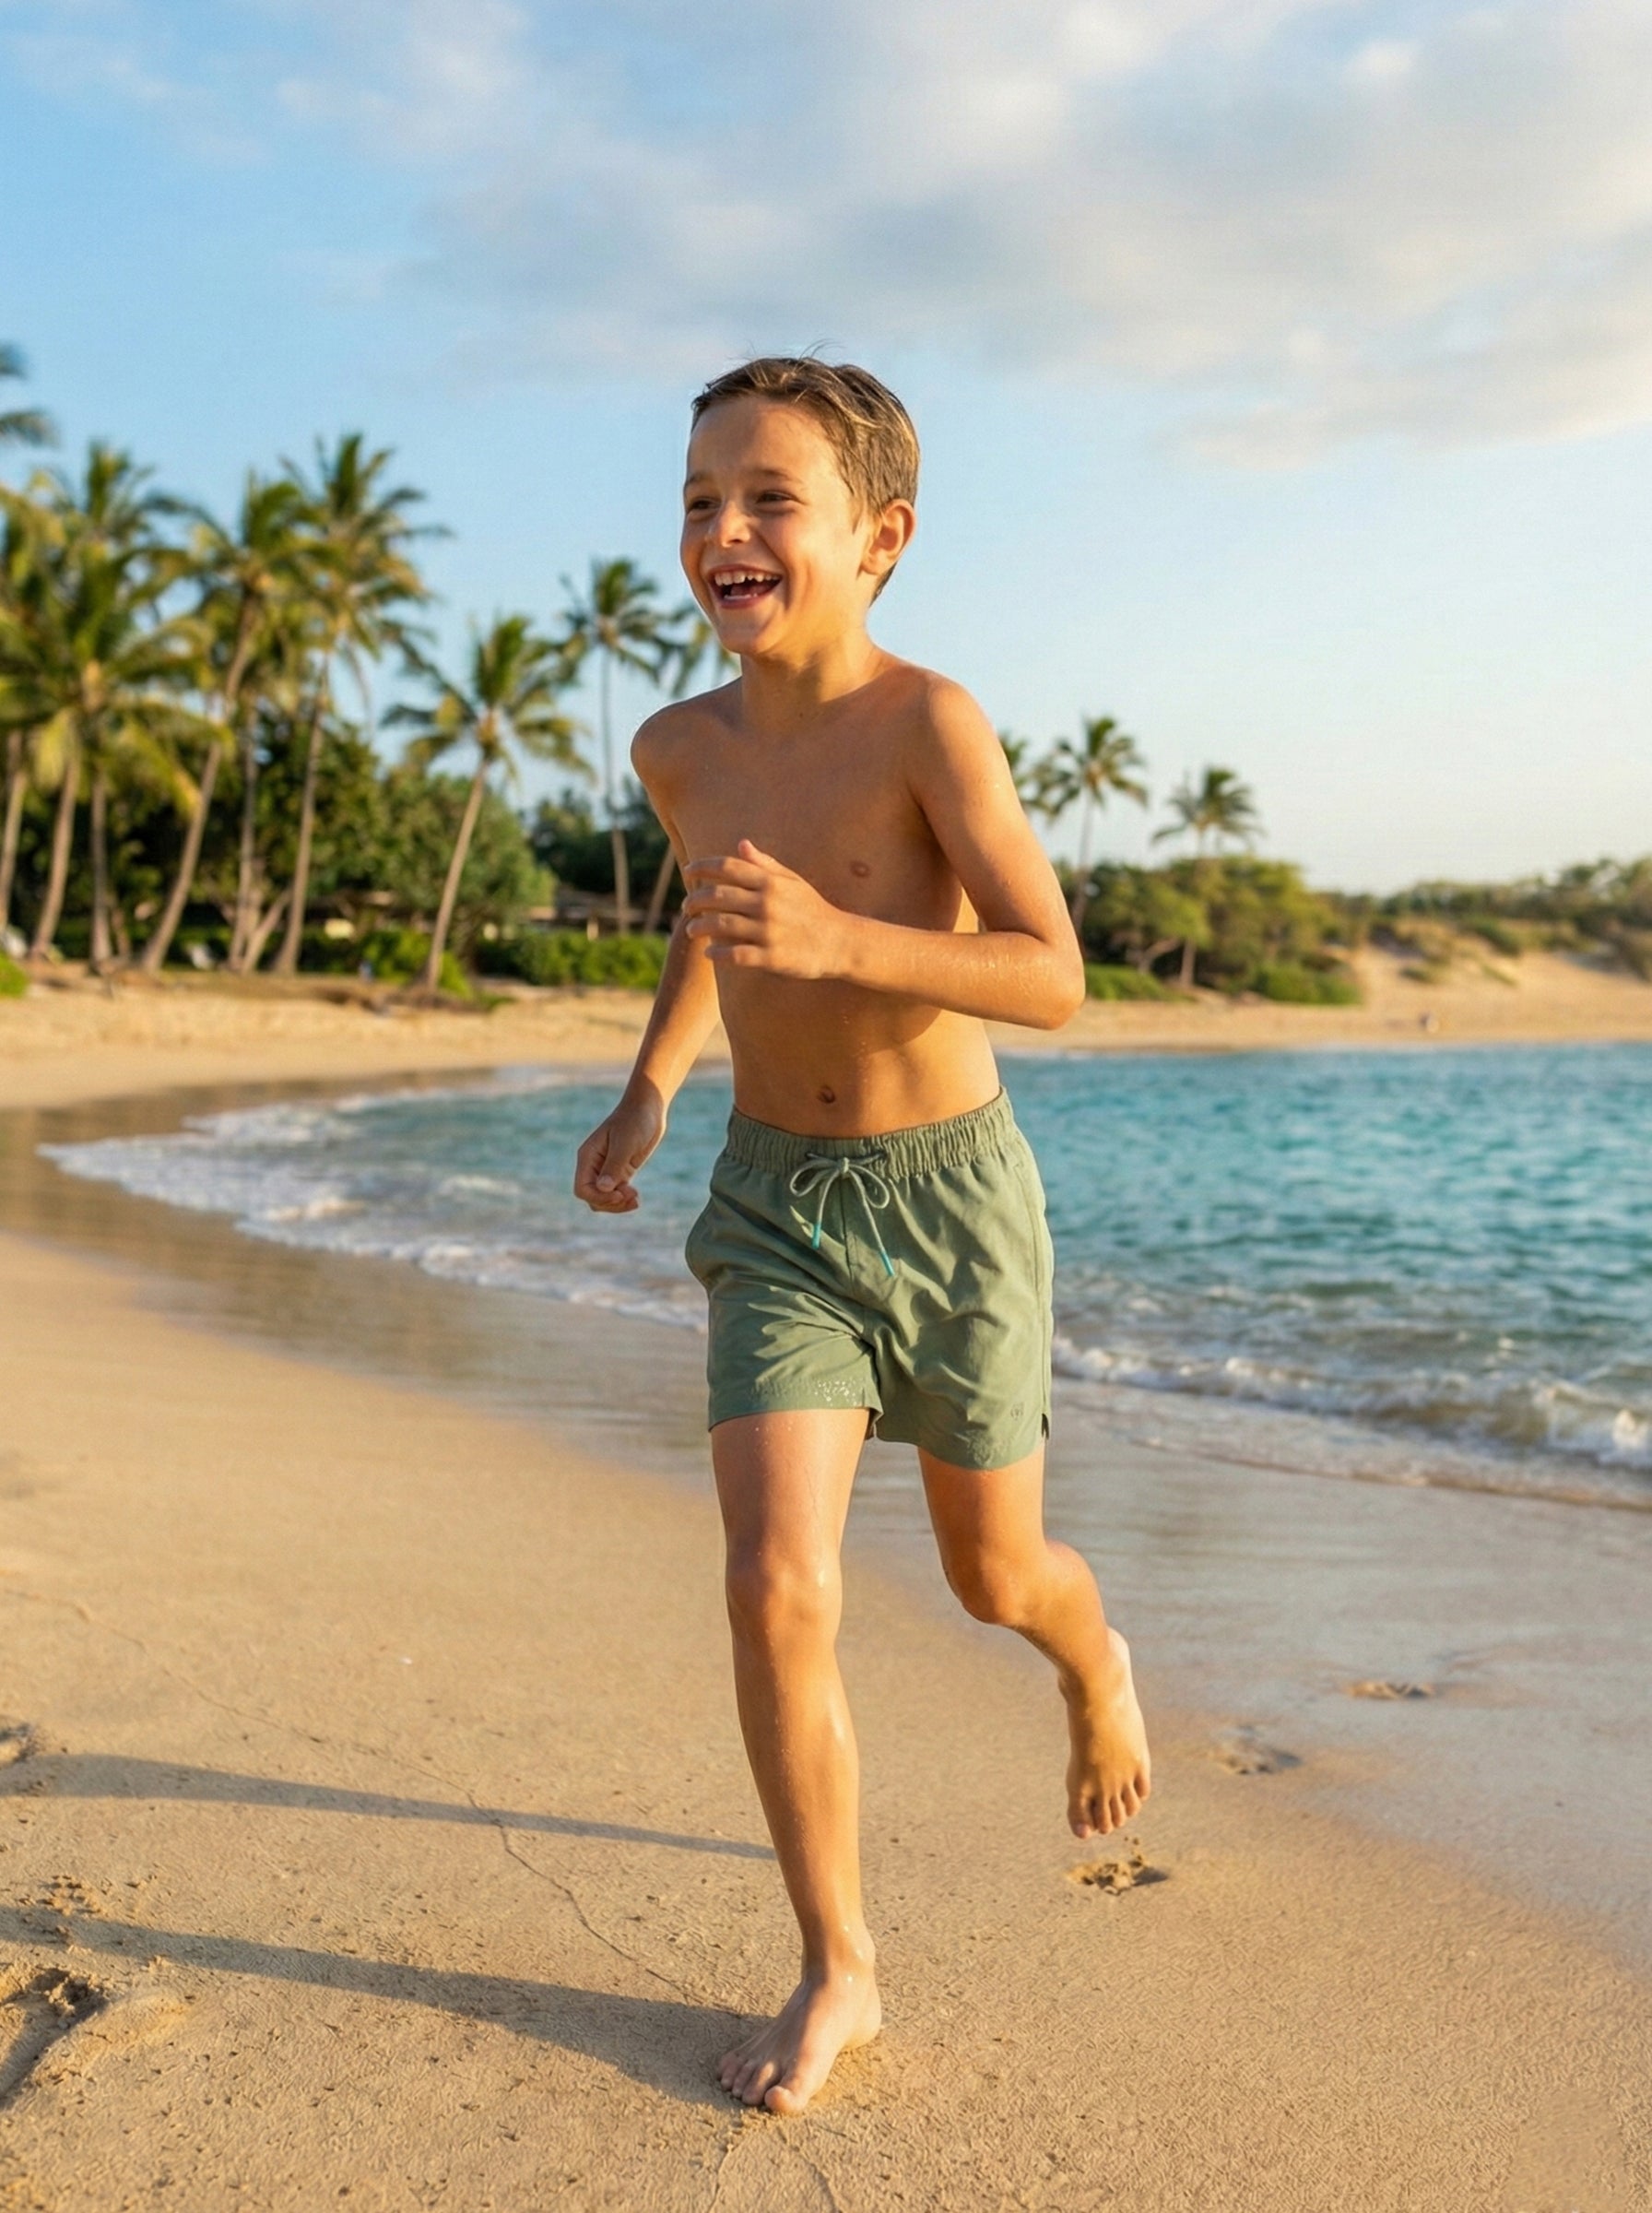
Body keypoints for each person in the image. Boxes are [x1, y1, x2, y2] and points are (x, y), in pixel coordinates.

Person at [573, 356, 1150, 2115]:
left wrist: (845, 945)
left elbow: (1054, 974)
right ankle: (842, 1968)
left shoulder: (928, 727)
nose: (722, 531)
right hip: (775, 1206)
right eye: (697, 499)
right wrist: (656, 1085)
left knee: (995, 1577)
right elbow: (708, 922)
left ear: (879, 537)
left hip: (953, 1201)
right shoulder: (680, 746)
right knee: (773, 1581)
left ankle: (1096, 1656)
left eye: (767, 499)